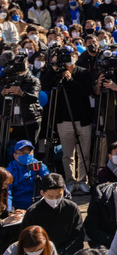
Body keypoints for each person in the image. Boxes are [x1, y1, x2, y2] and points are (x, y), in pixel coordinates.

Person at [40, 45, 94, 194]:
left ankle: (82, 180)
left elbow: (86, 92)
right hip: (63, 120)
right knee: (67, 154)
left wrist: (70, 80)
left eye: (69, 56)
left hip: (83, 119)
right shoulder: (56, 74)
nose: (67, 60)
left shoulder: (83, 73)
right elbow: (44, 85)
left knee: (84, 153)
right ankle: (70, 181)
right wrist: (53, 68)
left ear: (75, 57)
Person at [21, 174, 84, 255]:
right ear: (42, 193)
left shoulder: (71, 208)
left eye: (59, 196)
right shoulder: (33, 212)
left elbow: (78, 235)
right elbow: (26, 239)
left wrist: (68, 253)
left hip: (66, 254)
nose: (55, 199)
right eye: (50, 196)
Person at [0, 51, 42, 144]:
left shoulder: (33, 80)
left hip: (29, 120)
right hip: (11, 121)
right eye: (16, 65)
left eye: (21, 64)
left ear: (27, 64)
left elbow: (34, 98)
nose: (18, 67)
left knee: (28, 148)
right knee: (10, 150)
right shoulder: (8, 79)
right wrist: (2, 94)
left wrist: (22, 93)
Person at [6, 141, 49, 211]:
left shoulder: (41, 167)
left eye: (29, 152)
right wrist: (9, 210)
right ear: (15, 155)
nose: (26, 155)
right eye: (22, 152)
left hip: (37, 207)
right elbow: (7, 192)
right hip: (17, 209)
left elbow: (48, 185)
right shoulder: (10, 171)